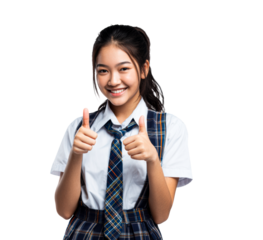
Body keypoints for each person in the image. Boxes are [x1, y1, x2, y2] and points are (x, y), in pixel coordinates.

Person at [49, 23, 195, 240]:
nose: (113, 80)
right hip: (83, 234)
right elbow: (63, 211)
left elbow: (162, 215)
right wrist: (76, 154)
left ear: (144, 69)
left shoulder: (172, 128)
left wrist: (152, 159)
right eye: (103, 71)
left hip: (141, 234)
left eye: (123, 68)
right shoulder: (78, 128)